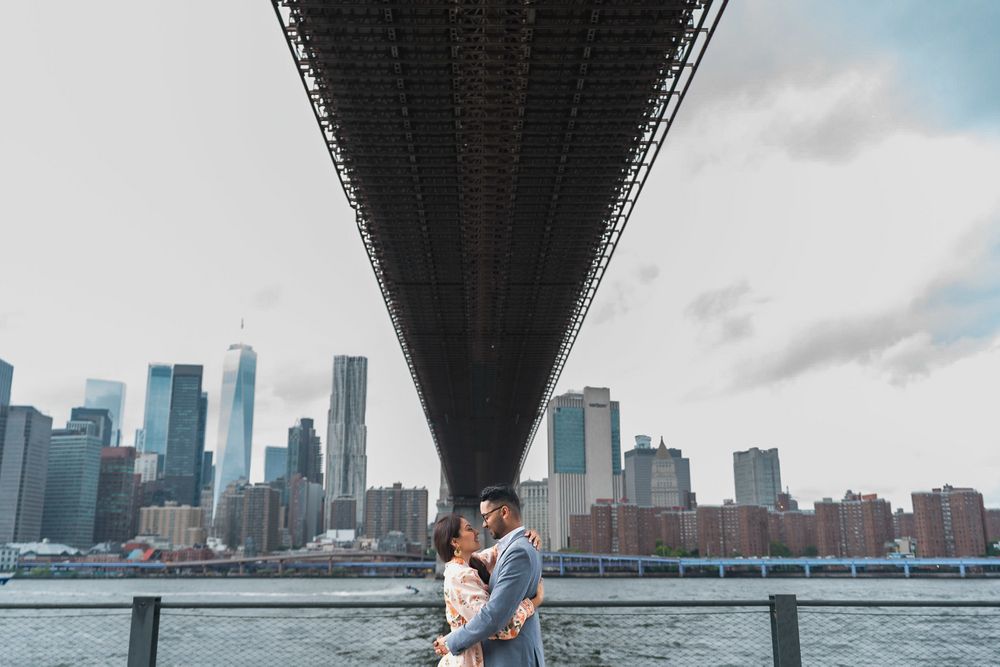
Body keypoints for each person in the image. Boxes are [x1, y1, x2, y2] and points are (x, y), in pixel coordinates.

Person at [434, 485, 546, 666]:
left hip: (514, 657)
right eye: (470, 528)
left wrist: (528, 534)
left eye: (486, 517)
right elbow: (493, 620)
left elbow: (493, 619)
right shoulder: (460, 574)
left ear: (504, 512)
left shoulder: (516, 551)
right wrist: (534, 601)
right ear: (455, 542)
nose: (482, 526)